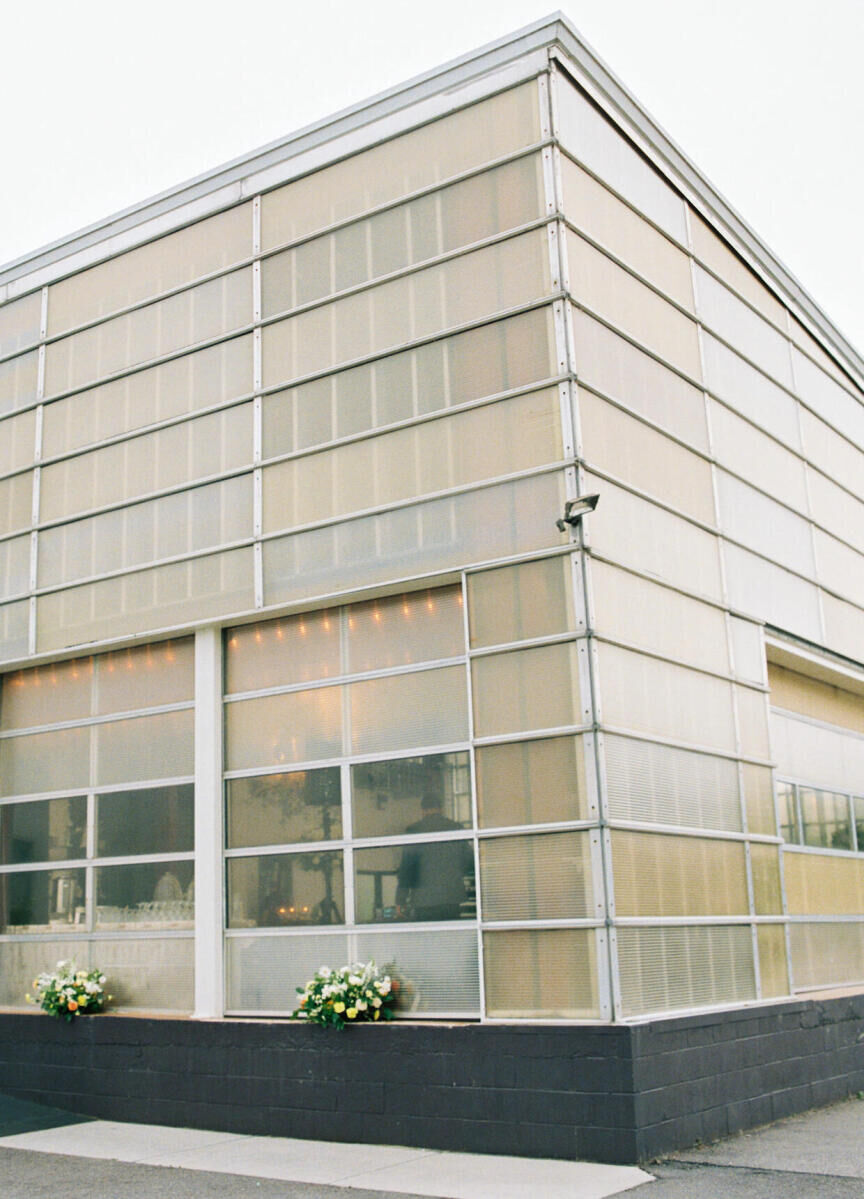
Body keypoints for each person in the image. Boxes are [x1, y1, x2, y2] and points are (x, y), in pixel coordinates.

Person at [395, 794, 474, 921]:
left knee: (429, 937)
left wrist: (400, 900)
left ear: (422, 810)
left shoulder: (414, 830)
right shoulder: (455, 827)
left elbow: (407, 868)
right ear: (441, 808)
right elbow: (468, 860)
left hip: (423, 898)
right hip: (451, 896)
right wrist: (454, 874)